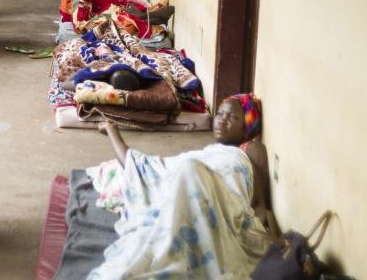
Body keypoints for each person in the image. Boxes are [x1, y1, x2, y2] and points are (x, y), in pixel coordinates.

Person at [88, 93, 272, 279]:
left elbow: (257, 207)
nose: (222, 120)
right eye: (220, 114)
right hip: (186, 199)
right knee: (185, 170)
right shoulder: (208, 153)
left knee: (189, 169)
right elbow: (153, 170)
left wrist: (252, 231)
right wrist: (112, 131)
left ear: (246, 127)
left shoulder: (245, 156)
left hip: (219, 211)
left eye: (231, 117)